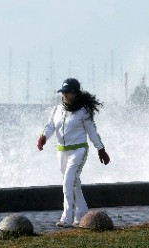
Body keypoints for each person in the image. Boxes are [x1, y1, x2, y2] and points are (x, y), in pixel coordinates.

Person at [37, 77, 111, 228]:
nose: (64, 95)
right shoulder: (56, 110)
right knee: (74, 183)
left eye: (67, 92)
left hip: (79, 150)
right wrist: (43, 137)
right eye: (62, 92)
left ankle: (67, 218)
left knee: (68, 182)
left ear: (75, 93)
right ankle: (82, 214)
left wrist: (101, 149)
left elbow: (92, 132)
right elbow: (50, 126)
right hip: (61, 152)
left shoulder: (84, 111)